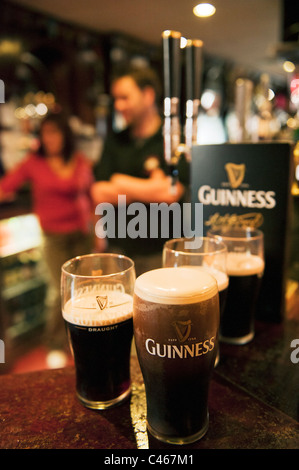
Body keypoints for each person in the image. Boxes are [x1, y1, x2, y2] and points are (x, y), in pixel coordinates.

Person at [0, 112, 94, 366]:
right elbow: (6, 186)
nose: (51, 138)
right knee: (59, 291)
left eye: (56, 132)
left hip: (82, 234)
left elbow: (92, 195)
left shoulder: (79, 160)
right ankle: (54, 343)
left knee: (83, 290)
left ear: (66, 134)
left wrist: (99, 230)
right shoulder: (34, 162)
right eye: (46, 132)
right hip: (53, 237)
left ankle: (80, 339)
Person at [92, 67, 186, 275]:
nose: (118, 105)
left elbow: (170, 193)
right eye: (116, 99)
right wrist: (151, 189)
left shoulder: (173, 141)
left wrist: (119, 182)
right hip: (118, 252)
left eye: (125, 97)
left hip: (162, 252)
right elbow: (99, 192)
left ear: (148, 95)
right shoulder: (114, 141)